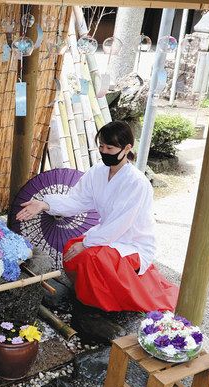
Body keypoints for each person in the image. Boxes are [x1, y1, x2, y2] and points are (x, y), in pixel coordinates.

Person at [15, 121, 178, 312]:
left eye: (110, 147)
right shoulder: (98, 171)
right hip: (107, 235)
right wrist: (44, 204)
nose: (104, 152)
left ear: (127, 148)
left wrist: (86, 243)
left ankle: (101, 306)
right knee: (71, 248)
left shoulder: (136, 183)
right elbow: (76, 199)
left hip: (133, 241)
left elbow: (120, 224)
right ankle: (88, 297)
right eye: (101, 146)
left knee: (91, 256)